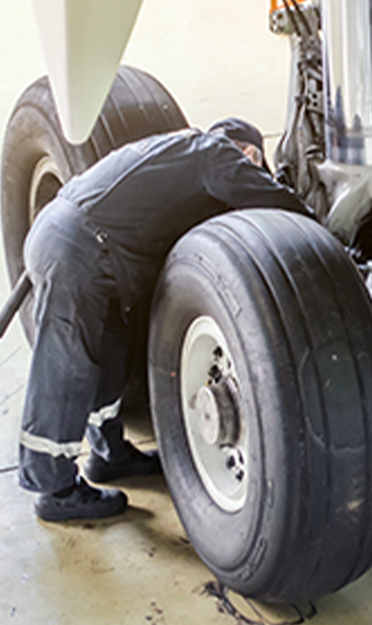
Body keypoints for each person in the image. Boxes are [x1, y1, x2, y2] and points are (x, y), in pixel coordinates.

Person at [20, 118, 311, 522]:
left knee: (111, 355)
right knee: (68, 366)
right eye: (253, 163)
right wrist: (320, 232)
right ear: (249, 152)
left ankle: (108, 455)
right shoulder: (215, 153)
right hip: (77, 251)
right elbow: (268, 200)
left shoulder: (178, 154)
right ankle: (53, 488)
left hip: (83, 244)